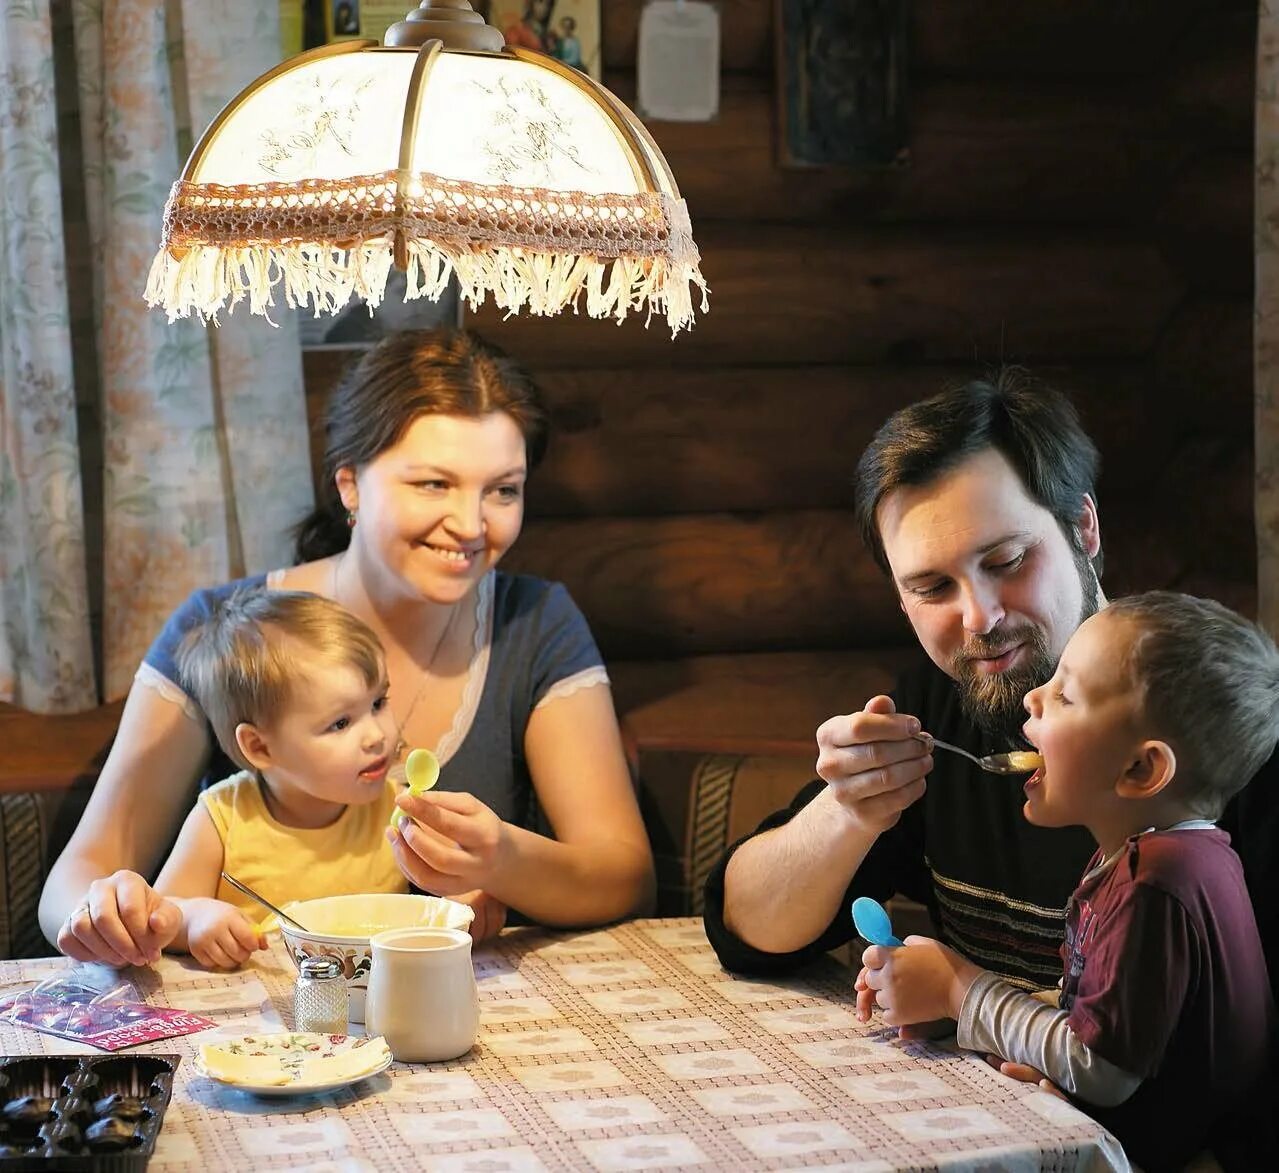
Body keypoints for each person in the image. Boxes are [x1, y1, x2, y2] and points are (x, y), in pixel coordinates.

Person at [41, 328, 655, 967]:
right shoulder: (220, 627)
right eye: (433, 484)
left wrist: (503, 859)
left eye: (503, 489)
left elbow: (624, 877)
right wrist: (106, 913)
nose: (473, 526)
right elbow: (78, 877)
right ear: (350, 487)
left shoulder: (536, 621)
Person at [704, 370, 1279, 1011]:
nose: (979, 617)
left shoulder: (1227, 720)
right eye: (931, 588)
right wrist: (848, 810)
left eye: (1006, 562)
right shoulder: (938, 710)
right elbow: (749, 935)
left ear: (1083, 528)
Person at [855, 592, 1277, 1171]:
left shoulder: (1155, 881)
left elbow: (1099, 1069)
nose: (1032, 697)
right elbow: (1099, 1012)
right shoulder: (1153, 855)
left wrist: (961, 991)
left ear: (1141, 769)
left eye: (1065, 695)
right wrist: (964, 1017)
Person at [153, 590, 407, 970]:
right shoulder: (222, 818)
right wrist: (194, 922)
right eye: (340, 723)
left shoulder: (398, 807)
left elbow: (449, 897)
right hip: (262, 1016)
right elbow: (161, 917)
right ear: (260, 747)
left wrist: (471, 899)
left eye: (378, 703)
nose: (376, 735)